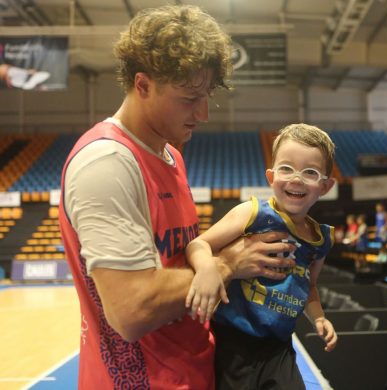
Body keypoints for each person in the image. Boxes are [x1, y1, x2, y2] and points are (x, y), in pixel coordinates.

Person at [58, 5, 295, 389]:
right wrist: (228, 264)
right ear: (143, 84)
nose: (202, 114)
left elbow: (176, 263)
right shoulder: (107, 163)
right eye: (189, 99)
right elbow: (131, 309)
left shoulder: (172, 156)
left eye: (207, 97)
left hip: (191, 372)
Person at [185, 123, 338, 389]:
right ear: (271, 176)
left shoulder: (321, 240)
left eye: (310, 172)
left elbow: (309, 286)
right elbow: (197, 245)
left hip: (278, 347)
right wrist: (208, 269)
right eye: (286, 168)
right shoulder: (253, 214)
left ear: (325, 186)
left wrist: (319, 318)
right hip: (233, 342)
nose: (296, 179)